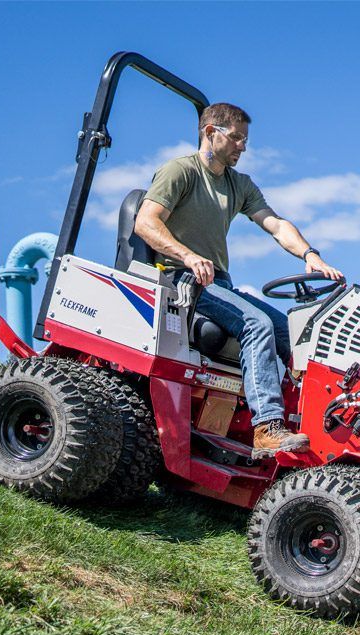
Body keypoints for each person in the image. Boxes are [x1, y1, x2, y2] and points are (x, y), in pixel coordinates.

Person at [134, 102, 344, 457]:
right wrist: (187, 255)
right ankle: (266, 427)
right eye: (236, 138)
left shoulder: (239, 185)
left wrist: (310, 254)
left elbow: (275, 224)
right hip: (181, 280)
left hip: (218, 283)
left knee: (294, 334)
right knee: (256, 324)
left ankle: (315, 424)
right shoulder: (180, 172)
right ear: (210, 132)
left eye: (245, 140)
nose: (242, 147)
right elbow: (146, 222)